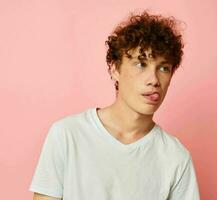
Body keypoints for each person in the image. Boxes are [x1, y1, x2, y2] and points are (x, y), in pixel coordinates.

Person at [29, 10, 200, 200]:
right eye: (141, 64)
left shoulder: (176, 157)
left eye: (163, 68)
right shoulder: (68, 135)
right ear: (114, 69)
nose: (154, 80)